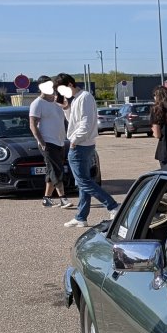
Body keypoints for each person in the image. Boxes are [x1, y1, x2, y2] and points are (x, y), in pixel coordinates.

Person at [57, 73, 120, 229]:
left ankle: (113, 206)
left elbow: (85, 123)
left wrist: (74, 141)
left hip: (80, 145)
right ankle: (81, 217)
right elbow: (74, 120)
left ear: (70, 85)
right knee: (83, 182)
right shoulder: (79, 98)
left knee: (83, 181)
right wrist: (66, 109)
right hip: (83, 144)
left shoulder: (84, 97)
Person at [28, 77, 70, 208]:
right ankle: (63, 198)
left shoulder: (56, 101)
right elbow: (33, 124)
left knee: (51, 170)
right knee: (56, 169)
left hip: (60, 141)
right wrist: (41, 142)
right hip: (47, 141)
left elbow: (66, 113)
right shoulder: (37, 103)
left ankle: (47, 198)